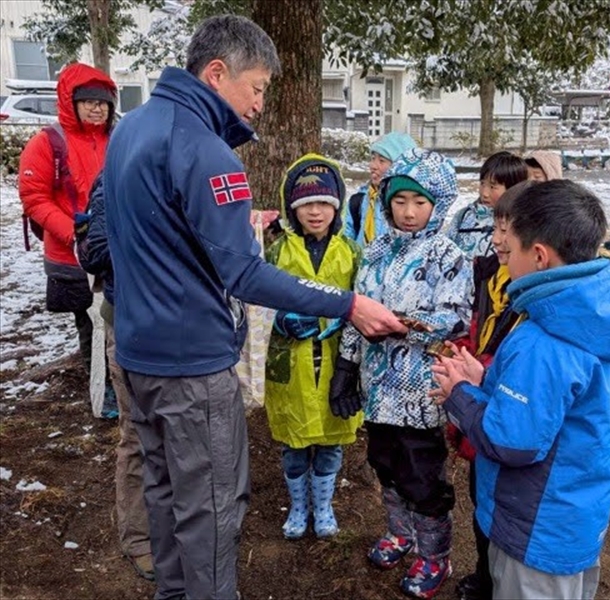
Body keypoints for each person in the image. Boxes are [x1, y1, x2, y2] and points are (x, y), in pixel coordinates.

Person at [103, 15, 405, 600]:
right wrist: (347, 303)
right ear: (217, 74)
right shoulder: (207, 151)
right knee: (212, 505)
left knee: (162, 490)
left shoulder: (131, 128)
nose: (261, 104)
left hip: (137, 351)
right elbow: (244, 273)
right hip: (192, 364)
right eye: (258, 87)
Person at [431, 180, 610, 600]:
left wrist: (459, 393)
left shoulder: (544, 339)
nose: (502, 252)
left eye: (510, 247)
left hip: (534, 528)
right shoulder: (606, 314)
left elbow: (512, 441)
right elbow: (563, 408)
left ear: (539, 256)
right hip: (577, 512)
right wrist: (487, 382)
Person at [330, 148, 473, 599]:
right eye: (399, 201)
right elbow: (356, 312)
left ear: (438, 203)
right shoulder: (374, 252)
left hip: (421, 392)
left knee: (422, 476)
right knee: (386, 465)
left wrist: (400, 325)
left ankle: (434, 554)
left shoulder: (448, 255)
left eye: (419, 202)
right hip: (378, 389)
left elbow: (456, 318)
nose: (408, 212)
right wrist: (346, 365)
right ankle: (400, 533)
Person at [262, 154, 362, 540]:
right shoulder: (277, 252)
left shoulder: (350, 252)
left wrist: (346, 320)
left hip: (335, 360)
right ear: (293, 208)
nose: (315, 212)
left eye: (323, 203)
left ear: (336, 206)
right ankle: (298, 505)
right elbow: (258, 303)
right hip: (291, 361)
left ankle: (322, 505)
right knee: (294, 441)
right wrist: (279, 319)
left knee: (331, 439)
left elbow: (362, 300)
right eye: (306, 204)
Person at [19, 62, 119, 419]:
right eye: (89, 101)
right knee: (90, 323)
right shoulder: (48, 143)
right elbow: (34, 197)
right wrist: (75, 233)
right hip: (71, 253)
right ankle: (103, 392)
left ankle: (120, 383)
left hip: (115, 250)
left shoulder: (119, 139)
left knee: (116, 319)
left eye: (103, 102)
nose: (97, 108)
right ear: (70, 103)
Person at [447, 182, 531, 600]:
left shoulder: (533, 305)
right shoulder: (493, 277)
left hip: (503, 429)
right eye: (495, 228)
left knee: (504, 511)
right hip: (486, 416)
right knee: (483, 500)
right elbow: (481, 330)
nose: (495, 240)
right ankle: (485, 574)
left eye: (505, 231)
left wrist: (477, 380)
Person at [76, 174, 153, 581]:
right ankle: (139, 537)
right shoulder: (116, 178)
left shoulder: (192, 167)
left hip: (182, 328)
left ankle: (178, 524)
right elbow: (97, 252)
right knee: (137, 432)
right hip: (130, 326)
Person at [445, 151, 528, 261]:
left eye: (493, 187)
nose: (484, 193)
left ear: (513, 188)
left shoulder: (519, 222)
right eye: (482, 183)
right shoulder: (463, 216)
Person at [344, 131, 417, 247]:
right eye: (373, 159)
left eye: (381, 161)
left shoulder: (416, 207)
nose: (373, 166)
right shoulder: (359, 201)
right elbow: (345, 244)